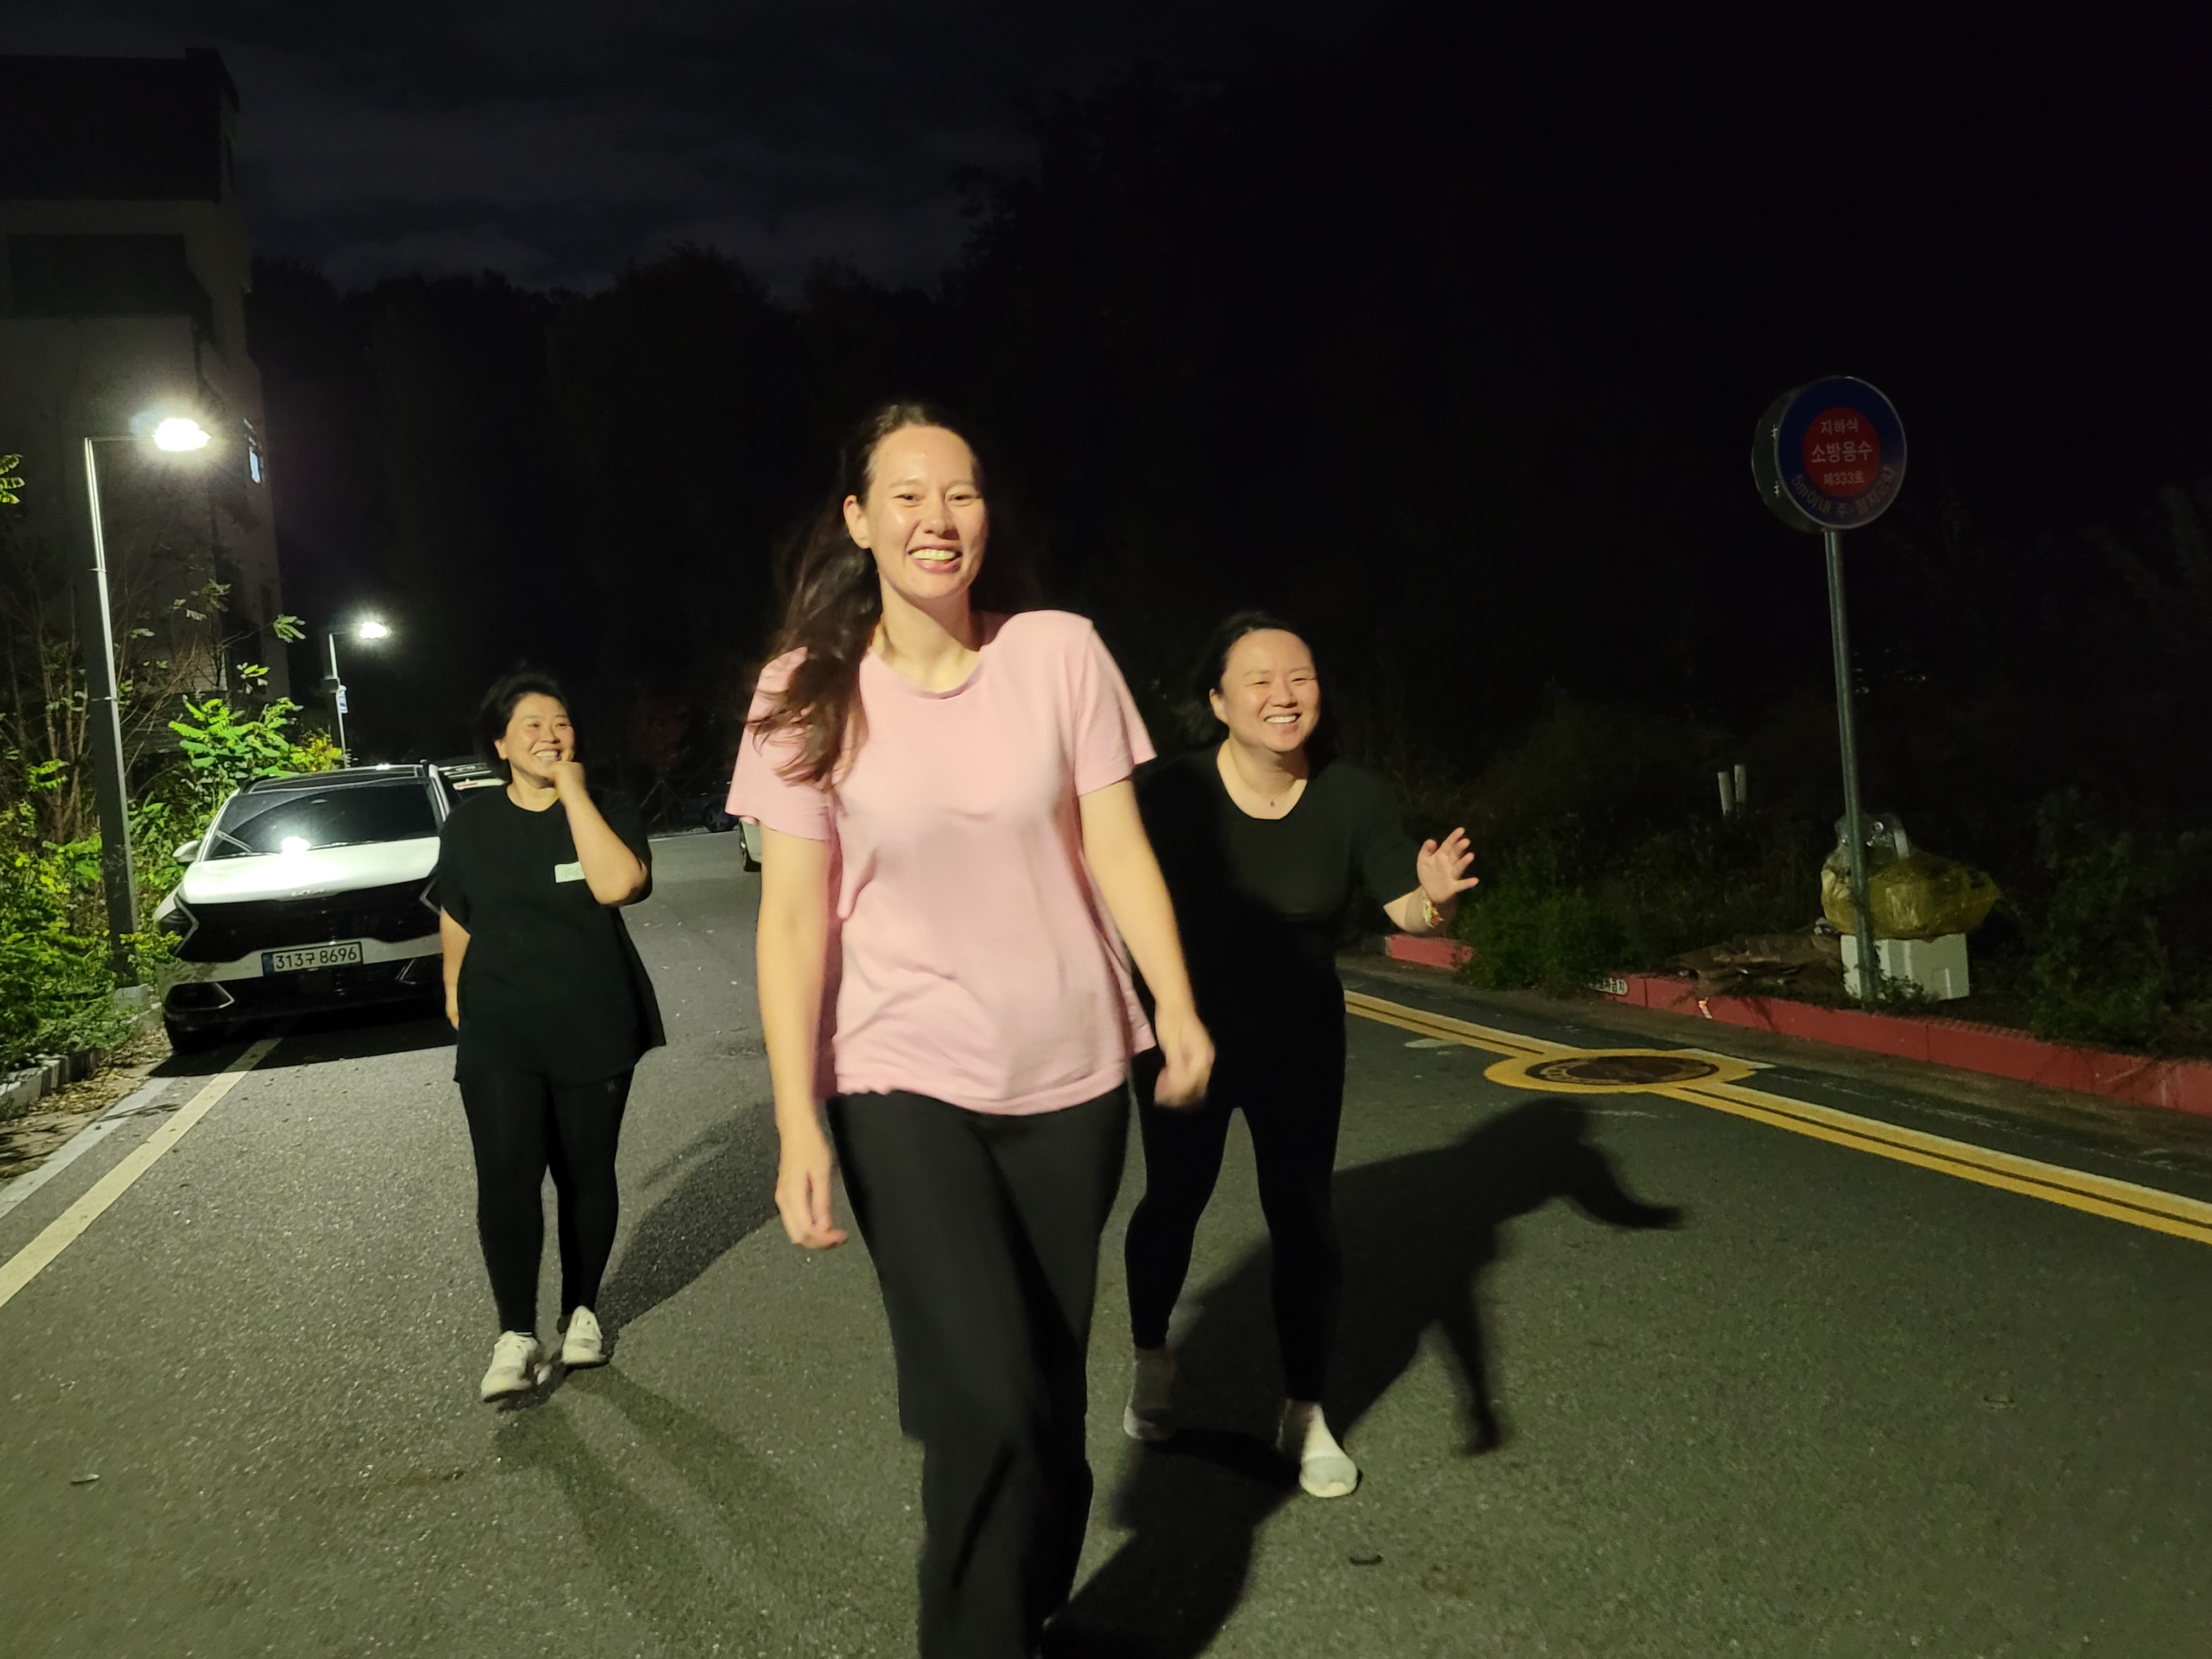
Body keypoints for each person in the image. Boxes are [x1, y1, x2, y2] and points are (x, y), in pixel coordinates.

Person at [730, 401, 1212, 1659]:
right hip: (897, 1075)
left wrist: (1174, 1003)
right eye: (907, 494)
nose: (938, 519)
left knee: (1044, 1397)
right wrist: (797, 1123)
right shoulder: (805, 690)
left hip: (1070, 1073)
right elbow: (793, 920)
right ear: (858, 520)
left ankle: (1027, 1607)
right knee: (983, 1399)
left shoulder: (1059, 653)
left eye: (962, 492)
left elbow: (1117, 846)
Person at [1120, 613, 1479, 1497]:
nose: (1284, 696)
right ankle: (1154, 1359)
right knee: (1175, 1200)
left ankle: (1306, 1412)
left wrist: (1437, 901)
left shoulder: (1354, 796)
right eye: (1260, 680)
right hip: (1187, 1035)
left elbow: (1407, 908)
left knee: (1304, 1216)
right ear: (1219, 701)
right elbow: (1112, 892)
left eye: (1301, 678)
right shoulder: (1167, 793)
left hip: (1300, 1041)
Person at [435, 669, 663, 1403]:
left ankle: (583, 1311)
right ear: (501, 745)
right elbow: (457, 909)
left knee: (584, 1171)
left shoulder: (607, 808)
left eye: (560, 723)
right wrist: (453, 985)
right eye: (530, 725)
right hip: (501, 1024)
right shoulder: (470, 823)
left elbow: (618, 885)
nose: (549, 736)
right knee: (506, 1172)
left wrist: (573, 793)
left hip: (594, 1016)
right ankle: (515, 1334)